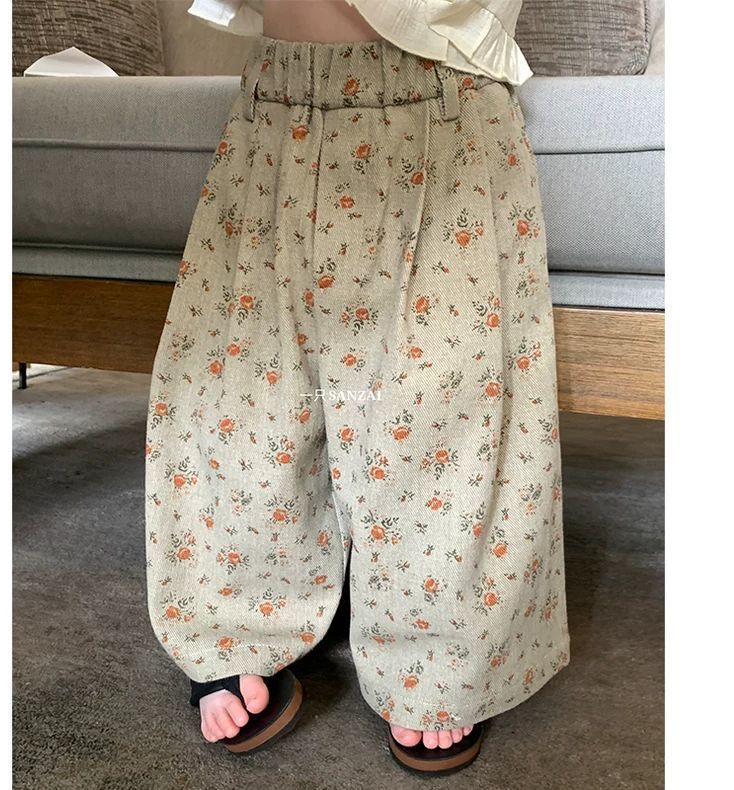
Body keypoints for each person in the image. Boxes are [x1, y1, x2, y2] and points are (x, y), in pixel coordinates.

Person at [145, 0, 570, 774]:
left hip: (442, 95)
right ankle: (237, 617)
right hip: (275, 100)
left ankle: (435, 652)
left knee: (440, 406)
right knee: (238, 393)